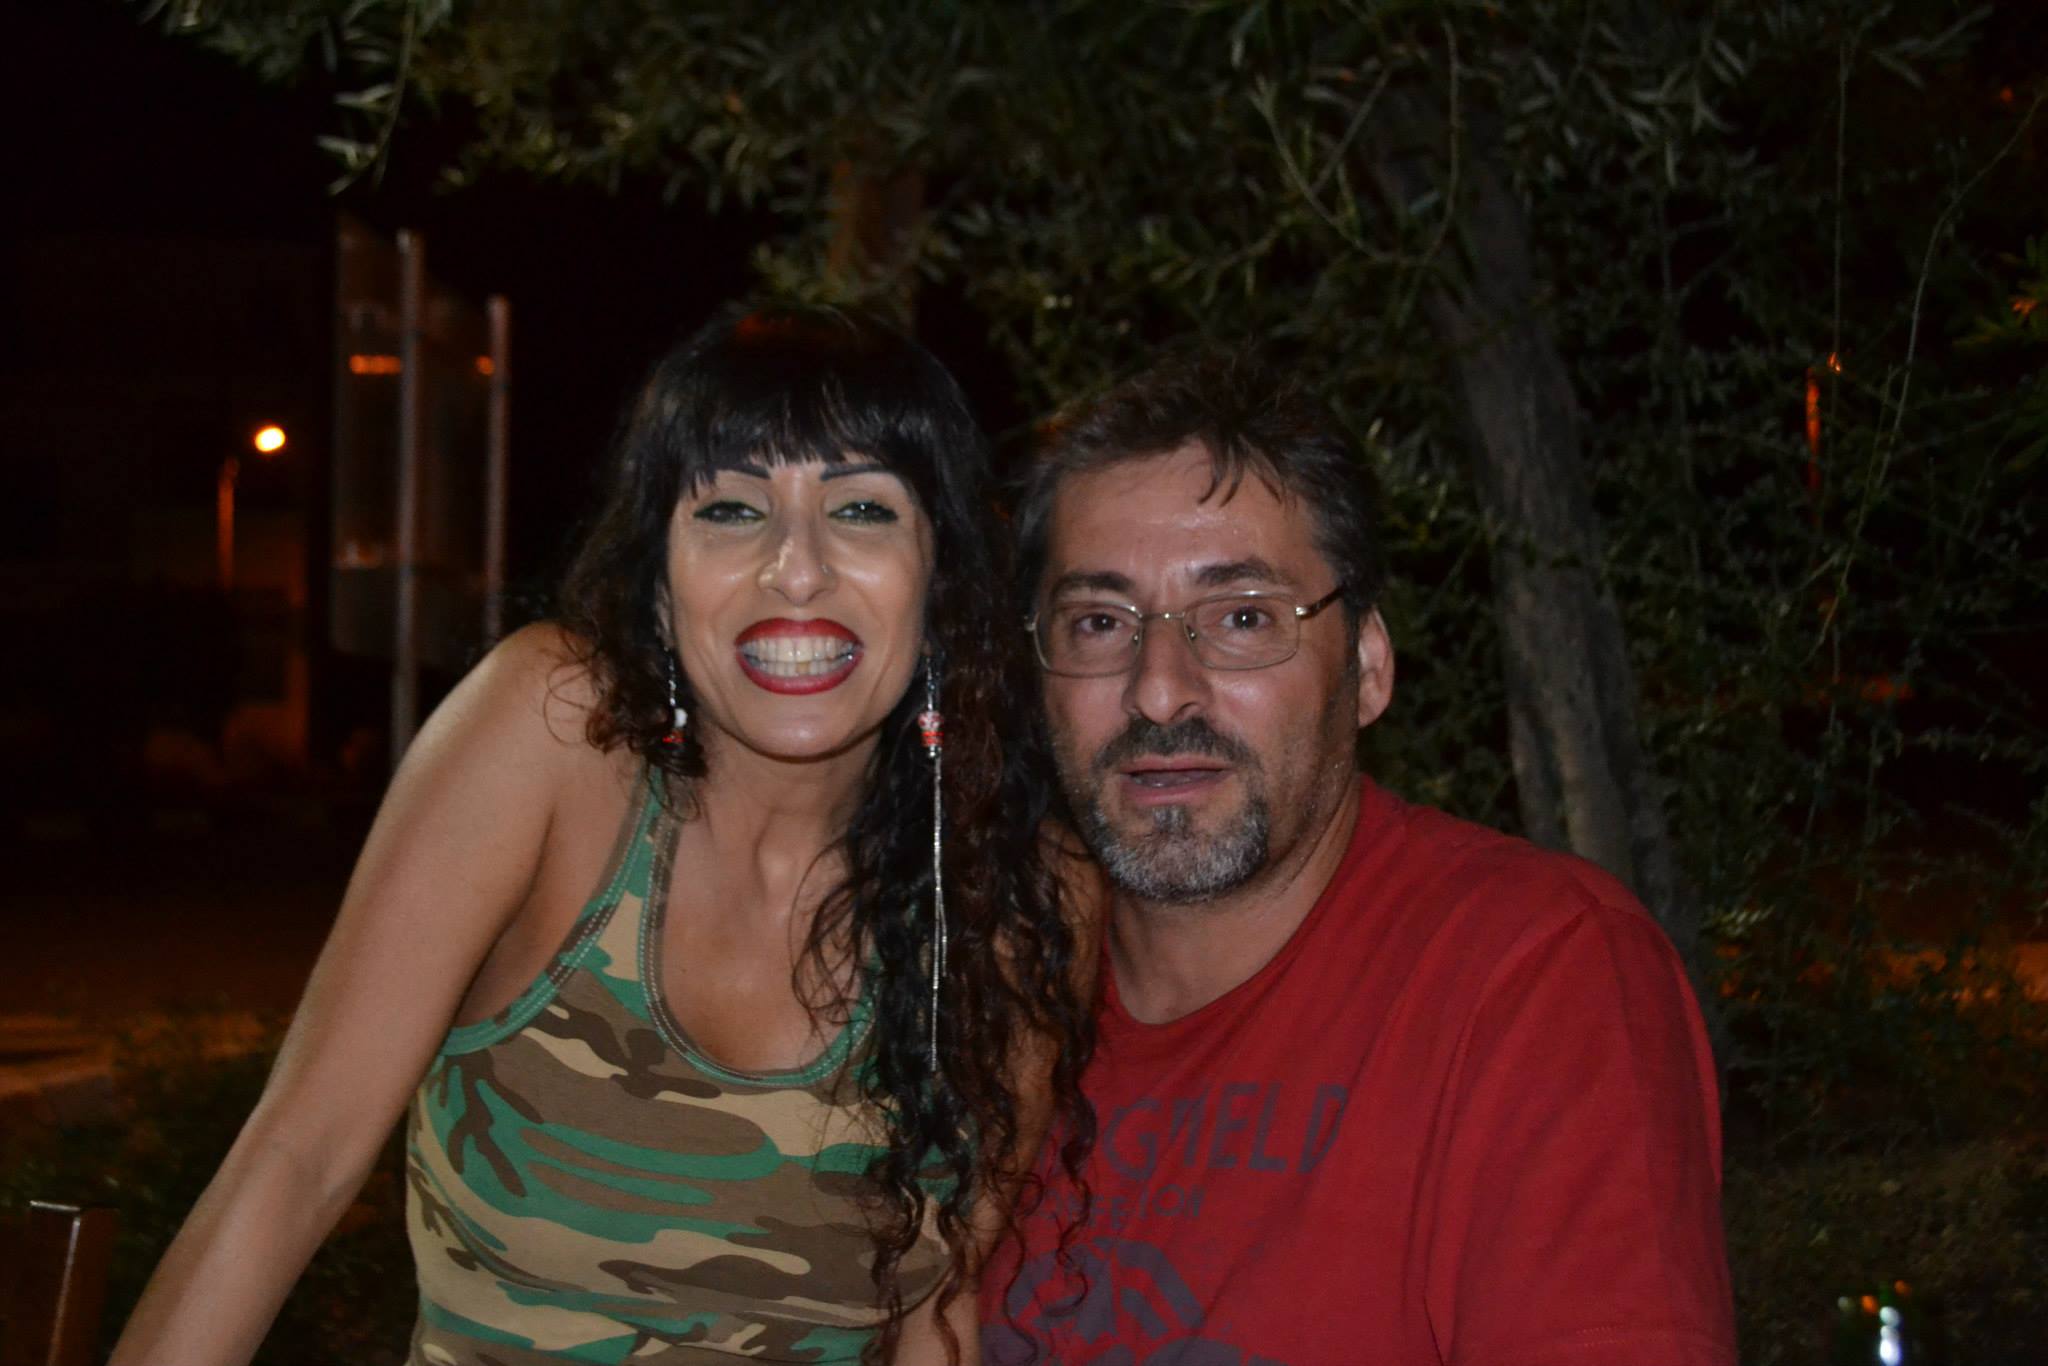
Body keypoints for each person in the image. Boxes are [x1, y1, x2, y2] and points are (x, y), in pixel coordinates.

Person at [110, 307, 1092, 1365]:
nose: (796, 568)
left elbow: (937, 1313)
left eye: (861, 508)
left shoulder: (1017, 895)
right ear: (659, 589)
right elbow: (294, 1163)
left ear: (941, 581)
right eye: (730, 509)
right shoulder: (551, 736)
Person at [979, 353, 1737, 1364]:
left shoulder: (1534, 973)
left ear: (1368, 667)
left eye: (1241, 618)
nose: (1158, 689)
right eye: (1099, 623)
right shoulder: (986, 997)